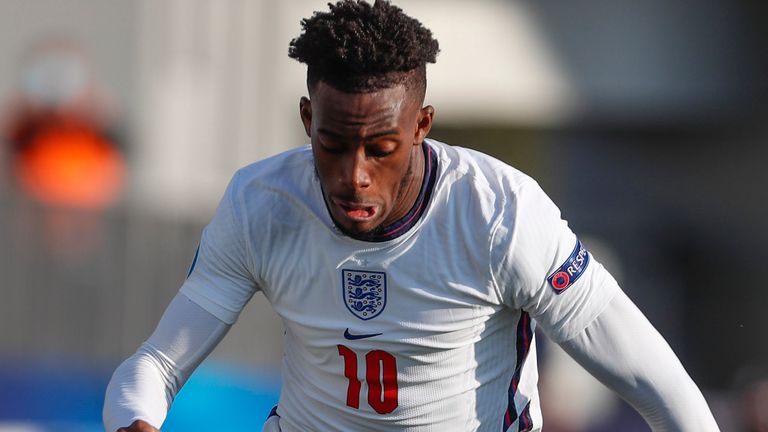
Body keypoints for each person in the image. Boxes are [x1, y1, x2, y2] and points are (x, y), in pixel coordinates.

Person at [103, 1, 720, 431]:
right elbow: (154, 366)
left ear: (422, 126)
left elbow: (662, 389)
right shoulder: (259, 203)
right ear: (306, 120)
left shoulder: (501, 213)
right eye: (333, 145)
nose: (355, 175)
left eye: (381, 148)